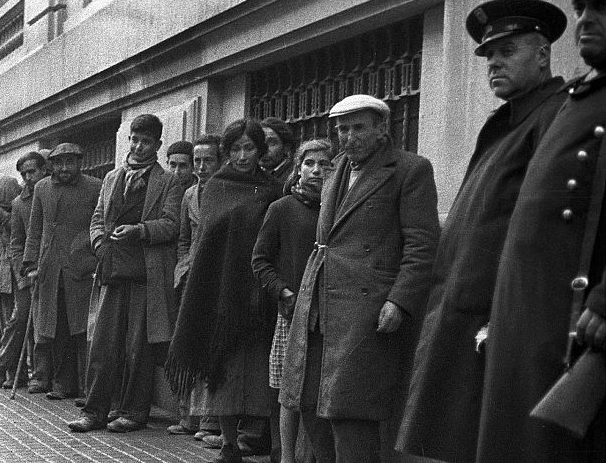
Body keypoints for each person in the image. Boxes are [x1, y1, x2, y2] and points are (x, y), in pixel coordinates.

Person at [397, 0, 568, 462]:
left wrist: (509, 315)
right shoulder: (510, 120)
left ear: (543, 54)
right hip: (466, 312)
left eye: (507, 51)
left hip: (505, 318)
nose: (494, 63)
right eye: (489, 55)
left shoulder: (555, 116)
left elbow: (551, 230)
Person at [476, 0, 606, 459]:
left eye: (603, 5)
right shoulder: (581, 98)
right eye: (581, 5)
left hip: (577, 323)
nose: (586, 19)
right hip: (533, 317)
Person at [278, 95, 439, 463]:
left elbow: (421, 244)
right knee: (309, 404)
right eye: (342, 129)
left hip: (365, 310)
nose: (349, 137)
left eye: (358, 128)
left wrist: (399, 300)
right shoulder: (336, 170)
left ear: (382, 129)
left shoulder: (409, 170)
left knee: (351, 415)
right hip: (318, 305)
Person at [165, 119, 283, 463]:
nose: (242, 155)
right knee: (224, 373)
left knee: (264, 374)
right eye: (235, 149)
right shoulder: (216, 187)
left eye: (249, 148)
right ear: (226, 152)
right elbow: (205, 245)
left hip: (259, 295)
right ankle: (228, 443)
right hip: (220, 294)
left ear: (259, 150)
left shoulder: (273, 189)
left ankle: (271, 445)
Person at [71, 114, 183, 433]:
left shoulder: (167, 181)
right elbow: (96, 217)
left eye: (145, 141)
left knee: (138, 347)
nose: (138, 146)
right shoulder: (112, 178)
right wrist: (99, 245)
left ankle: (134, 412)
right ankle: (94, 411)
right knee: (103, 344)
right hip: (111, 271)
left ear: (157, 145)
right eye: (134, 139)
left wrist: (140, 230)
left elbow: (172, 225)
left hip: (145, 276)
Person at [253, 139, 333, 463]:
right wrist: (283, 292)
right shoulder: (282, 208)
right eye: (309, 163)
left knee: (318, 392)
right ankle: (286, 456)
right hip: (293, 312)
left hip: (328, 311)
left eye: (324, 164)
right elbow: (260, 260)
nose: (316, 170)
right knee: (290, 393)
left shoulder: (337, 207)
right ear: (298, 168)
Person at [23, 143, 102, 401]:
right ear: (52, 165)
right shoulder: (42, 188)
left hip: (81, 268)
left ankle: (87, 387)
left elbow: (99, 224)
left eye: (70, 162)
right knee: (56, 328)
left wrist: (93, 258)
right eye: (59, 163)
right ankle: (61, 383)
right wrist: (30, 263)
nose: (65, 168)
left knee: (83, 330)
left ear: (80, 163)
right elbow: (35, 229)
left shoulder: (95, 186)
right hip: (51, 269)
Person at [167, 133, 222, 439]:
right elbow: (184, 238)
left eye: (208, 160)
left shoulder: (228, 190)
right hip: (191, 278)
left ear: (220, 160)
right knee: (188, 341)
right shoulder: (190, 194)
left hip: (216, 278)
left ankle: (211, 420)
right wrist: (182, 267)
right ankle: (188, 417)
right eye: (197, 161)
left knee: (212, 348)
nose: (201, 167)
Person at [0, 151, 50, 391]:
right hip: (26, 273)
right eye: (24, 174)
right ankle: (9, 367)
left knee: (43, 325)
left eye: (32, 172)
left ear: (43, 170)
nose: (28, 177)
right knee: (20, 319)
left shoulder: (52, 194)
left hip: (50, 268)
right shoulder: (19, 203)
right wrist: (23, 269)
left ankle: (41, 374)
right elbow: (16, 242)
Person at [0, 170, 25, 387]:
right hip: (1, 274)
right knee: (5, 323)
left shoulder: (20, 208)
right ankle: (12, 373)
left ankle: (0, 362)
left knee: (16, 321)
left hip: (20, 272)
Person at [260, 118, 296, 183]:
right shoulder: (253, 173)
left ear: (286, 147)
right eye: (260, 142)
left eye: (272, 143)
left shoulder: (293, 176)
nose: (264, 149)